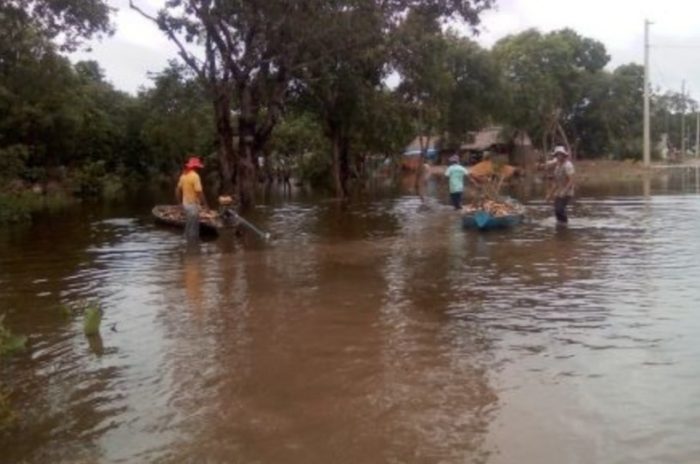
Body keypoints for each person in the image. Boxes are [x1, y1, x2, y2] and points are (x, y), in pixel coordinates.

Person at [176, 156, 208, 241]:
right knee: (194, 229)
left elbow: (177, 190)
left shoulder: (183, 176)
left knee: (189, 225)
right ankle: (193, 248)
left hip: (186, 204)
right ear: (195, 167)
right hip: (193, 205)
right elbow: (199, 192)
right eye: (198, 167)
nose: (199, 169)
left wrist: (180, 203)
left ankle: (187, 244)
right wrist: (205, 205)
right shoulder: (195, 176)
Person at [545, 146, 575, 224]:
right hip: (559, 192)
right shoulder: (558, 166)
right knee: (557, 211)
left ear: (564, 155)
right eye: (557, 155)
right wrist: (549, 194)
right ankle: (561, 226)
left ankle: (565, 225)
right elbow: (555, 183)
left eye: (560, 154)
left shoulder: (568, 165)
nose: (558, 156)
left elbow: (571, 180)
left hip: (567, 192)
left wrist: (564, 191)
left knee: (559, 209)